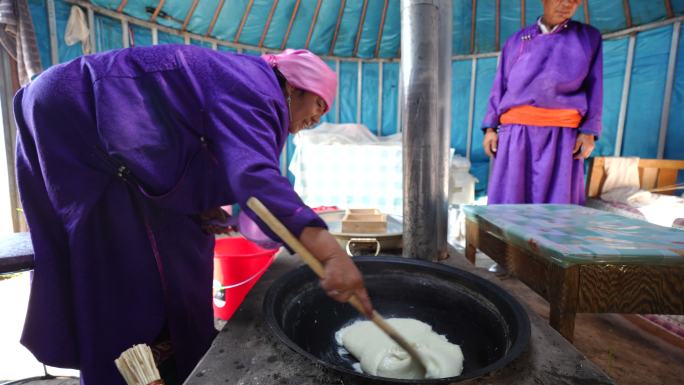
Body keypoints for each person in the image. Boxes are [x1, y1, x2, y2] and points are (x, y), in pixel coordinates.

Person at [14, 46, 373, 385]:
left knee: (181, 236)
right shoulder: (258, 90)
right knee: (118, 256)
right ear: (294, 87)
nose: (316, 117)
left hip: (62, 108)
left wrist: (199, 200)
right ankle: (132, 365)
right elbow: (254, 175)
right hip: (79, 111)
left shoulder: (239, 82)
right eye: (318, 103)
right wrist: (329, 251)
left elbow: (184, 141)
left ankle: (171, 355)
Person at [482, 0, 602, 205]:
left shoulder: (589, 38)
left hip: (563, 135)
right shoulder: (515, 41)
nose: (567, 4)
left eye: (574, 0)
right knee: (510, 203)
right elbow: (500, 86)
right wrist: (490, 129)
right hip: (516, 134)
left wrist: (589, 131)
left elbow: (595, 85)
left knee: (558, 207)